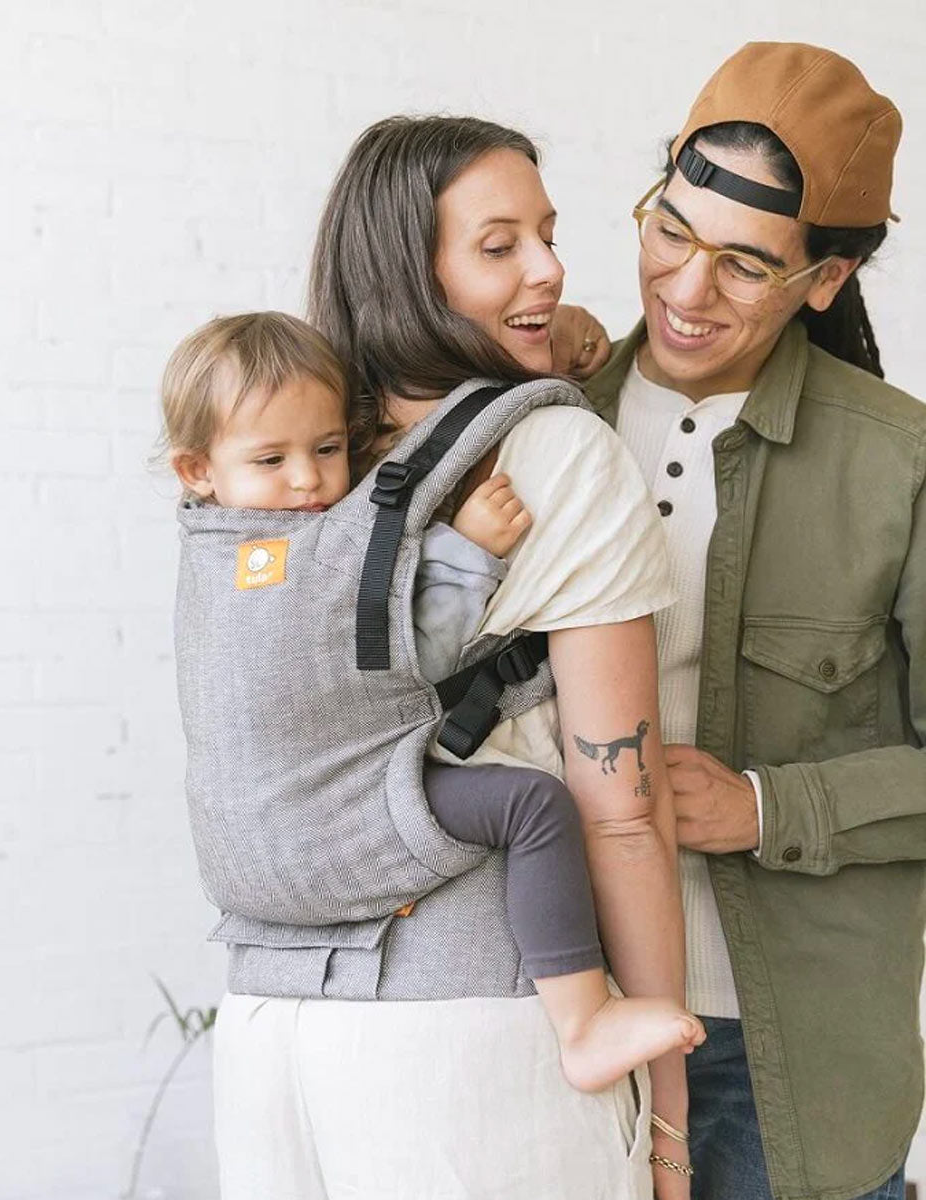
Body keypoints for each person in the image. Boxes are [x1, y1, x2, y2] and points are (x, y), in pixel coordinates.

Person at [209, 119, 696, 1200]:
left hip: (265, 1027)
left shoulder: (298, 447)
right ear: (409, 270)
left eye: (550, 235)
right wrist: (666, 1114)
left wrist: (557, 329)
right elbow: (620, 807)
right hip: (469, 1032)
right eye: (499, 245)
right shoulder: (557, 450)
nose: (550, 266)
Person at [162, 309, 703, 1094]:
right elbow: (406, 661)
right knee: (534, 808)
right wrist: (468, 552)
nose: (309, 480)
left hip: (254, 858)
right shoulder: (294, 557)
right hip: (347, 809)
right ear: (197, 472)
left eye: (327, 449)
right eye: (272, 459)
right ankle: (584, 1020)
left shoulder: (214, 553)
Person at [579, 40, 924, 1200]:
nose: (683, 290)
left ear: (826, 280)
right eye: (670, 230)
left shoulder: (899, 465)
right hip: (555, 1030)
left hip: (778, 1065)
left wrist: (770, 806)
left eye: (743, 266)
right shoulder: (543, 421)